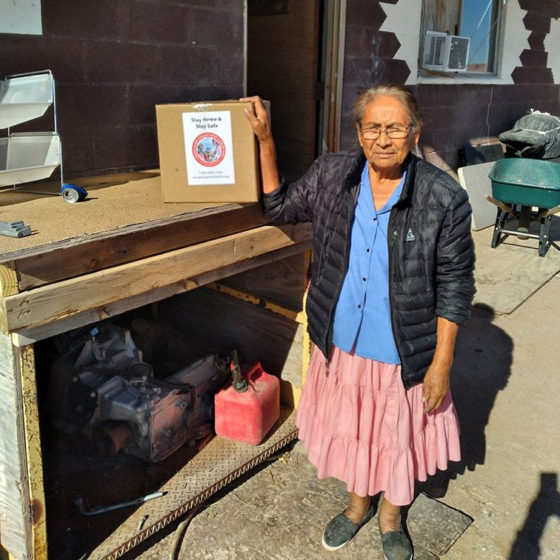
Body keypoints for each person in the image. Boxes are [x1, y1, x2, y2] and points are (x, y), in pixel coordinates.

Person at [242, 85, 475, 560]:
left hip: (402, 349)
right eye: (373, 127)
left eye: (395, 127)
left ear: (415, 132)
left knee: (395, 435)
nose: (384, 138)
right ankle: (356, 506)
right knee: (354, 428)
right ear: (358, 132)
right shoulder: (333, 174)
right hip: (342, 340)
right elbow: (281, 208)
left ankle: (391, 516)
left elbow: (456, 281)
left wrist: (442, 361)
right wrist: (266, 141)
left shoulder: (442, 195)